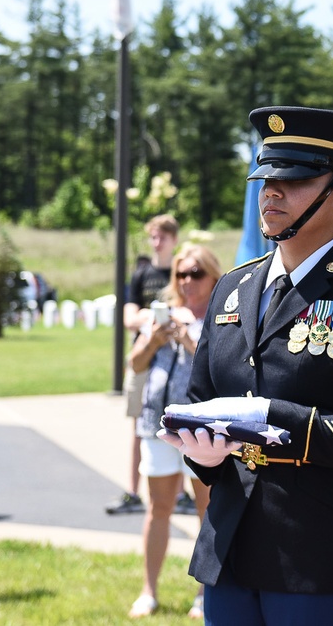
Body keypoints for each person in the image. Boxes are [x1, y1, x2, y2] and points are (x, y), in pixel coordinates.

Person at [158, 106, 333, 625]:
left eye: (295, 179)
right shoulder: (233, 286)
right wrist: (202, 454)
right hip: (231, 547)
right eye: (267, 178)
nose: (272, 191)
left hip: (326, 556)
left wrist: (272, 418)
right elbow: (198, 401)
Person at [127, 243, 221, 619]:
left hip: (202, 429)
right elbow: (135, 365)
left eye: (196, 273)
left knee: (208, 511)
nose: (187, 282)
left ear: (213, 276)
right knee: (158, 508)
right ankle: (148, 590)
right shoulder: (160, 314)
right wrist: (154, 338)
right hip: (158, 423)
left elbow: (223, 369)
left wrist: (188, 339)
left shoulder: (223, 313)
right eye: (181, 274)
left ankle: (205, 594)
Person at [107, 214, 196, 517]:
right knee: (140, 425)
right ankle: (133, 491)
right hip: (144, 357)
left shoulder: (181, 271)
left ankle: (182, 492)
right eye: (153, 237)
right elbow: (128, 318)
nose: (157, 243)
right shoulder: (142, 274)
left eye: (163, 237)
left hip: (176, 359)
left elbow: (190, 309)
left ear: (174, 239)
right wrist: (155, 317)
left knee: (180, 424)